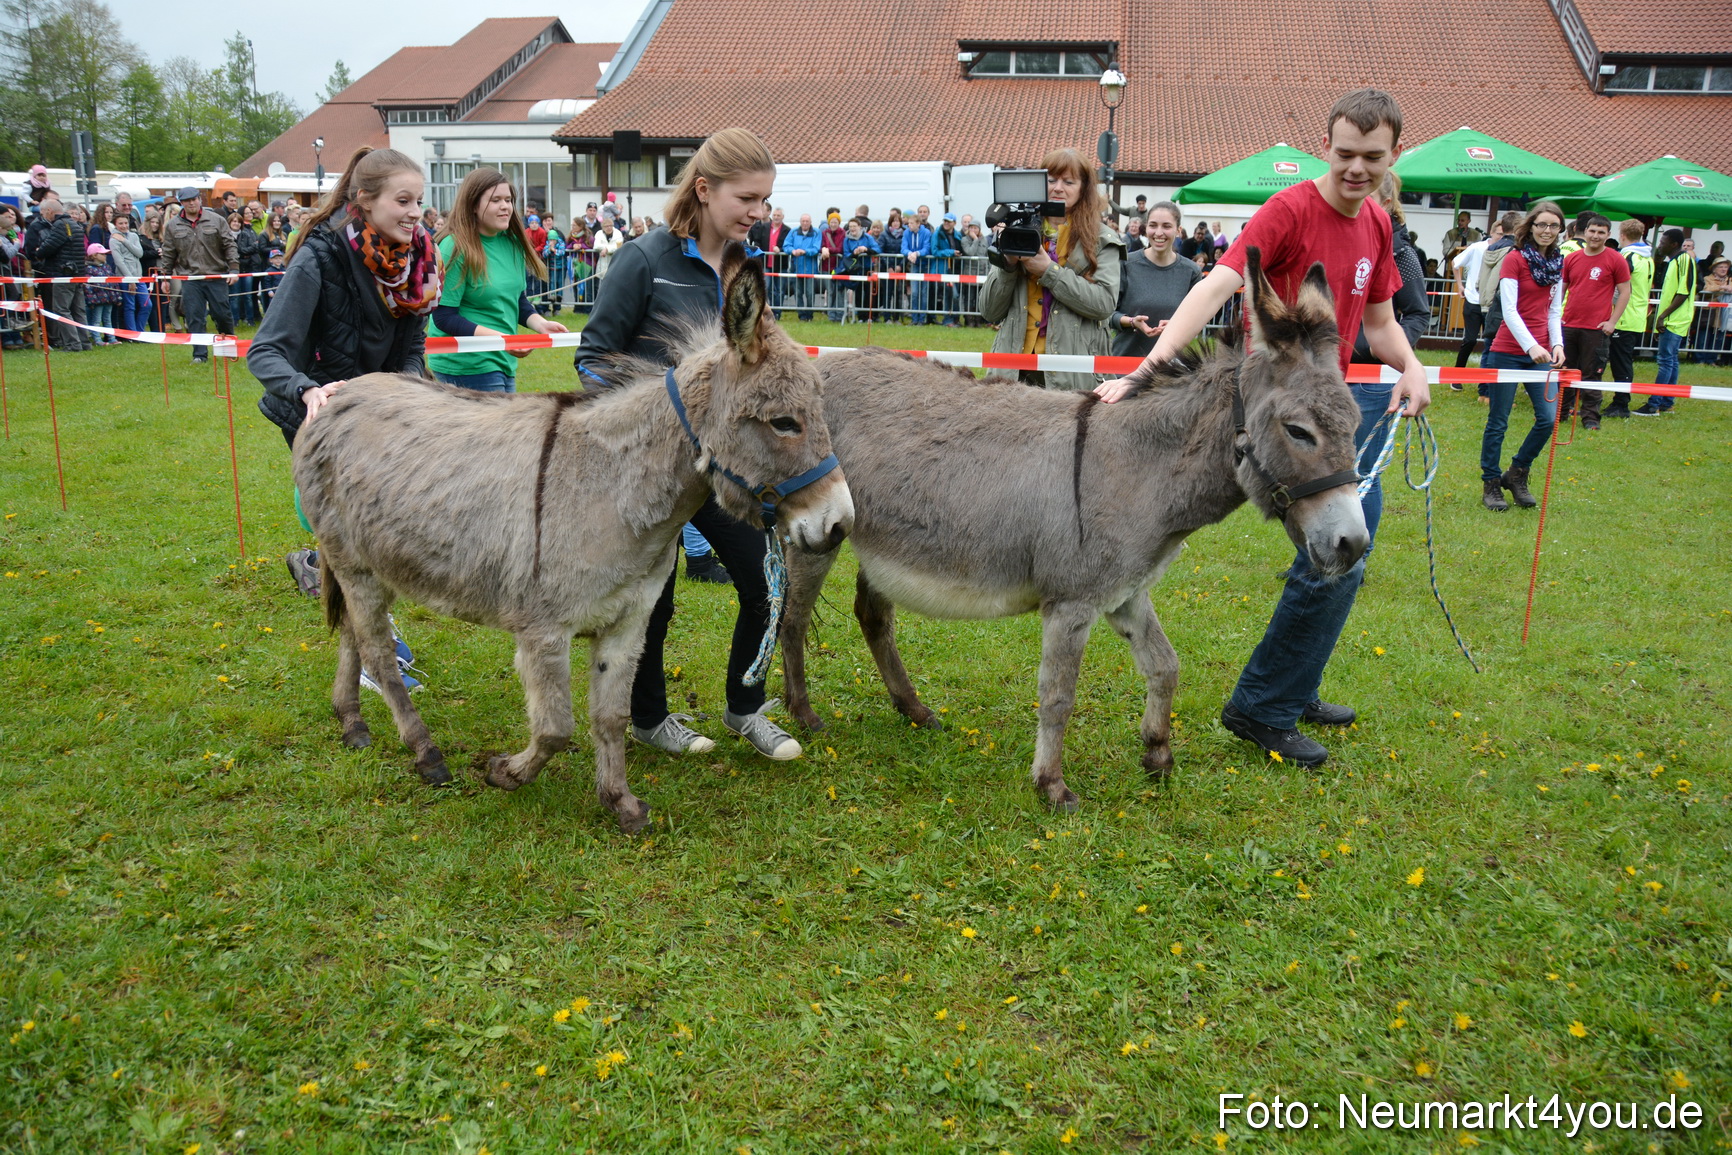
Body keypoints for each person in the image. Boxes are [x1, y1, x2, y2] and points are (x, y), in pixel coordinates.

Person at [1097, 88, 1429, 768]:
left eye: (1372, 156)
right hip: (1277, 409)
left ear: (1394, 153)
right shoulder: (1290, 209)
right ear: (1325, 146)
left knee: (1349, 543)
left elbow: (1379, 324)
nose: (1356, 168)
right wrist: (1144, 371)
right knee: (1337, 546)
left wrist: (1414, 367)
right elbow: (1217, 285)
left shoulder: (1376, 225)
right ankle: (1265, 705)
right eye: (1344, 154)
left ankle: (1291, 683)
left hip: (1333, 407)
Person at [570, 126, 801, 762]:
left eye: (766, 201)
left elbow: (756, 357)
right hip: (650, 470)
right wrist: (631, 433)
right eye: (748, 199)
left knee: (767, 583)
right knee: (654, 602)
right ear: (704, 189)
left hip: (724, 470)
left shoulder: (743, 270)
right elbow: (594, 358)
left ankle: (745, 708)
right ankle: (647, 719)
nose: (759, 213)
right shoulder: (644, 261)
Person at [246, 147, 441, 695]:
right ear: (364, 200)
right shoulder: (320, 258)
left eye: (420, 202)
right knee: (362, 540)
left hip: (378, 416)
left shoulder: (416, 259)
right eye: (402, 201)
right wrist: (309, 391)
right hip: (319, 415)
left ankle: (316, 561)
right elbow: (266, 354)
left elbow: (411, 348)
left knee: (372, 535)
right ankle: (375, 659)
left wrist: (407, 384)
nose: (414, 213)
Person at [979, 147, 1124, 390]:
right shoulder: (1017, 230)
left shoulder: (1102, 239)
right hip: (1014, 369)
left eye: (1068, 181)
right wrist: (1009, 266)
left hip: (1071, 371)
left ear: (1083, 188)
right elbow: (989, 311)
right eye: (1051, 179)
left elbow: (1103, 305)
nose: (1058, 188)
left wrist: (1049, 271)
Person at [425, 169, 567, 393]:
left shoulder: (512, 243)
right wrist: (502, 338)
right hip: (467, 364)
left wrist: (540, 324)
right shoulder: (454, 246)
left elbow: (516, 300)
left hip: (503, 358)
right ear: (473, 204)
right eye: (496, 200)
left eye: (509, 200)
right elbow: (444, 317)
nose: (505, 206)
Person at [1479, 201, 1567, 511]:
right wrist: (1531, 346)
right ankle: (1491, 483)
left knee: (1547, 419)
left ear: (1560, 230)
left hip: (1542, 353)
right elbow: (1510, 310)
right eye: (1541, 224)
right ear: (1530, 227)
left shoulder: (1558, 263)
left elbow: (1554, 310)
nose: (1547, 230)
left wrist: (1557, 345)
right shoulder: (1515, 259)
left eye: (1553, 226)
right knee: (1498, 422)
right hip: (1508, 351)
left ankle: (1516, 472)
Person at [1557, 215, 1631, 429]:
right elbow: (1562, 289)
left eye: (1601, 232)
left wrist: (1612, 321)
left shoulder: (1615, 259)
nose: (1595, 236)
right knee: (1565, 371)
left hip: (1596, 328)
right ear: (1585, 232)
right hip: (1568, 325)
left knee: (1591, 375)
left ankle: (1590, 419)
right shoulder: (1572, 258)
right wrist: (1555, 318)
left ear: (1608, 235)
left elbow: (1625, 291)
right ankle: (1560, 413)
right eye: (1592, 231)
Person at [1110, 200, 1203, 359]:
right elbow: (1107, 314)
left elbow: (1197, 321)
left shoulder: (1191, 272)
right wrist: (1132, 321)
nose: (1159, 232)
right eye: (1153, 225)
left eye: (1166, 226)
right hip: (1125, 365)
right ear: (1146, 229)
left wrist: (1177, 327)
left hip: (1170, 369)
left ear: (1178, 230)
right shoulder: (1125, 264)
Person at [1352, 172, 1430, 361]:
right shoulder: (1338, 241)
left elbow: (1418, 313)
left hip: (1370, 377)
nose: (1359, 204)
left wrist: (1379, 350)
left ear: (1385, 204)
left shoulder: (1401, 253)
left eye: (1368, 198)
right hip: (1327, 368)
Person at [160, 186, 238, 364]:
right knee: (194, 316)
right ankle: (199, 355)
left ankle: (228, 349)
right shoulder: (173, 226)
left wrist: (234, 269)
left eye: (194, 199)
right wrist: (165, 278)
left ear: (199, 199)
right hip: (191, 278)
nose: (191, 203)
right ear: (182, 203)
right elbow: (169, 253)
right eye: (187, 200)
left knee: (222, 314)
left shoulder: (217, 220)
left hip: (216, 275)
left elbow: (229, 245)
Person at [1634, 229, 1695, 416]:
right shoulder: (1674, 261)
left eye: (1663, 241)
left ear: (1673, 244)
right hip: (1672, 318)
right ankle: (1667, 402)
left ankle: (1654, 404)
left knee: (1665, 361)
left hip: (1675, 319)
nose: (1660, 245)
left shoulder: (1683, 260)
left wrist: (1662, 317)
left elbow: (1683, 292)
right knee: (1672, 361)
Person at [25, 193, 92, 352]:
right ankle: (84, 342)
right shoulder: (75, 224)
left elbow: (48, 247)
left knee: (62, 309)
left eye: (44, 212)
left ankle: (72, 344)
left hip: (63, 274)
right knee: (78, 310)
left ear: (49, 211)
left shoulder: (60, 225)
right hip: (77, 273)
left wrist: (39, 251)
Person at [1603, 219, 1653, 418]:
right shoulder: (1647, 257)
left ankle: (1621, 403)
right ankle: (1620, 400)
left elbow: (1618, 286)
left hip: (1623, 315)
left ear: (1622, 235)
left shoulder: (1627, 256)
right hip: (1636, 314)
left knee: (1620, 362)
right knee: (1622, 360)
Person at [1450, 216, 1505, 373]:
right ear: (1492, 233)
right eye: (1499, 234)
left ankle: (1488, 379)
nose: (1501, 238)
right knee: (1470, 340)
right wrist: (1460, 285)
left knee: (1491, 341)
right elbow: (1456, 262)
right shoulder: (1477, 248)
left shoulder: (1507, 251)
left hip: (1492, 303)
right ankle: (1457, 373)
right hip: (1473, 300)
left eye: (1504, 235)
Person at [109, 211, 148, 336]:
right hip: (125, 276)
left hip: (139, 276)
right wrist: (129, 279)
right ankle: (133, 333)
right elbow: (119, 261)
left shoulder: (133, 236)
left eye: (125, 223)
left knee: (146, 304)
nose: (124, 226)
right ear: (115, 224)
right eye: (120, 223)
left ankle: (140, 331)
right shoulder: (113, 240)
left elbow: (139, 253)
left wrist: (125, 241)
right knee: (129, 306)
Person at [783, 211, 822, 320]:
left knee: (810, 293)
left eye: (807, 221)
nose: (805, 223)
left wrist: (804, 251)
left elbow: (816, 248)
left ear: (810, 222)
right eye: (803, 221)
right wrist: (793, 251)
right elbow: (786, 245)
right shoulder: (793, 232)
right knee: (797, 292)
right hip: (796, 267)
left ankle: (809, 314)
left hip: (810, 268)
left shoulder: (816, 232)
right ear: (800, 222)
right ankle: (801, 315)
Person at [1701, 256, 1731, 365]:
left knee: (1719, 337)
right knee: (1704, 336)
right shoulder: (1707, 279)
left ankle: (1712, 359)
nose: (1723, 269)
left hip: (1724, 314)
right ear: (1714, 269)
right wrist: (1721, 288)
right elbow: (1706, 290)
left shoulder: (1730, 280)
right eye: (1721, 267)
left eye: (1726, 267)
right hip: (1709, 312)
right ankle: (1700, 359)